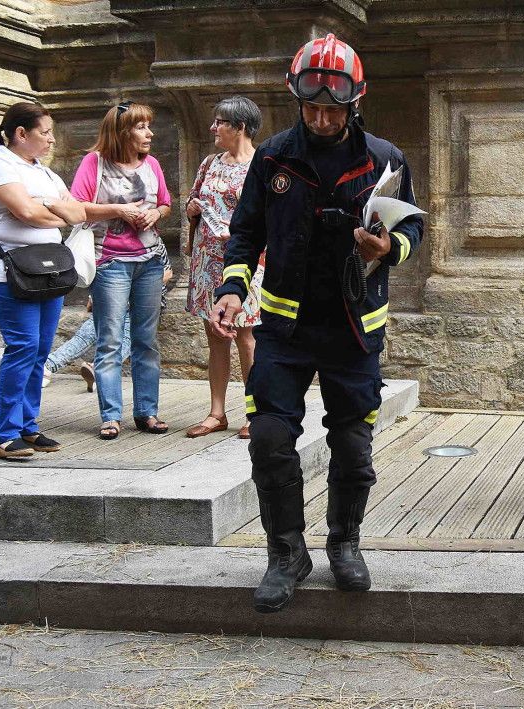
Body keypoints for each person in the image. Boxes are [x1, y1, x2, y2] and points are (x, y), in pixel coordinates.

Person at [210, 34, 423, 613]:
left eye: (334, 108)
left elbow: (412, 230)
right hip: (283, 329)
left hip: (355, 331)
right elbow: (244, 233)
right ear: (296, 100)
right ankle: (286, 555)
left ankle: (344, 544)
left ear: (355, 102)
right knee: (272, 439)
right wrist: (232, 289)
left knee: (353, 447)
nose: (323, 118)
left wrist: (387, 249)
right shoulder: (274, 158)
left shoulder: (385, 157)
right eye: (312, 108)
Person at [0, 102, 88, 459]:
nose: (52, 140)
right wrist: (51, 209)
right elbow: (24, 211)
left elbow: (77, 212)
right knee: (22, 347)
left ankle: (28, 425)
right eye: (46, 132)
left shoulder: (45, 173)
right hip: (10, 275)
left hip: (48, 272)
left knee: (39, 351)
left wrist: (47, 208)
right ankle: (5, 434)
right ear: (21, 134)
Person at [71, 101, 172, 440]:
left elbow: (165, 204)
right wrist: (119, 210)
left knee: (146, 341)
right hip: (110, 262)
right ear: (122, 131)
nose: (149, 133)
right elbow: (77, 208)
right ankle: (110, 415)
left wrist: (155, 214)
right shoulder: (94, 163)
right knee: (110, 341)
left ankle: (147, 412)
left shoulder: (152, 164)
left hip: (150, 262)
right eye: (142, 127)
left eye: (148, 126)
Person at [184, 96, 264, 440]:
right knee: (215, 336)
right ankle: (216, 413)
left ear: (240, 127)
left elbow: (269, 217)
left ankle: (255, 410)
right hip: (207, 262)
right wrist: (191, 208)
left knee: (246, 337)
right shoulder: (209, 163)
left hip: (245, 260)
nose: (213, 128)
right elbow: (193, 198)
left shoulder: (261, 164)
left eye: (221, 122)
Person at [45, 258, 175, 392]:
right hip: (114, 299)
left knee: (127, 337)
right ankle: (48, 366)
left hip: (143, 303)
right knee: (88, 333)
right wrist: (94, 296)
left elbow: (167, 273)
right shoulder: (112, 243)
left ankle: (98, 369)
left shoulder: (152, 243)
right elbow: (101, 270)